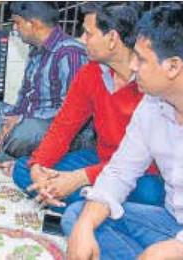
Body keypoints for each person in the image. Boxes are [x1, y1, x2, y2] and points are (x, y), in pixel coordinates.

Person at [64, 3, 183, 259]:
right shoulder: (152, 104)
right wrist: (85, 225)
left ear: (173, 67)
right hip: (171, 223)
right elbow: (120, 171)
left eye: (141, 59)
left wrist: (180, 248)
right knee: (79, 217)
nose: (133, 67)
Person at [12, 3, 165, 213]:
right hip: (100, 161)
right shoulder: (90, 73)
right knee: (23, 169)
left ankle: (85, 205)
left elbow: (149, 163)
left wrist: (78, 179)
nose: (82, 40)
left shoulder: (153, 81)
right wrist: (39, 166)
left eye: (88, 33)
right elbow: (62, 128)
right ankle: (98, 208)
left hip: (140, 173)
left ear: (112, 39)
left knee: (152, 194)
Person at [0, 2, 92, 160]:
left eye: (17, 23)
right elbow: (25, 98)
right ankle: (3, 139)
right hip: (33, 119)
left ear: (33, 24)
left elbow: (74, 112)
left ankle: (1, 144)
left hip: (66, 130)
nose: (14, 28)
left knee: (24, 132)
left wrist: (21, 120)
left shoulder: (70, 53)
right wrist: (14, 117)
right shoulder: (36, 49)